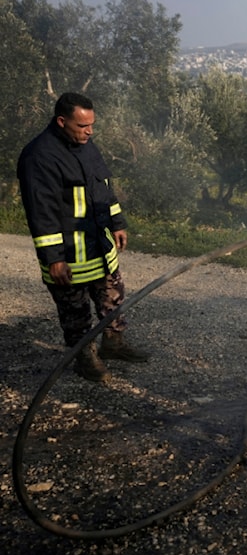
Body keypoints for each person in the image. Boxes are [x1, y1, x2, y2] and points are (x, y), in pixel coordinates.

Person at [17, 92, 148, 383]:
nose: (89, 131)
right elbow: (42, 212)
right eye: (82, 126)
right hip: (69, 255)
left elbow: (104, 190)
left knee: (112, 299)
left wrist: (117, 223)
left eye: (92, 125)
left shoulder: (87, 146)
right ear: (62, 121)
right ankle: (85, 359)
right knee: (75, 312)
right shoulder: (39, 156)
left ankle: (114, 345)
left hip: (100, 247)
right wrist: (54, 259)